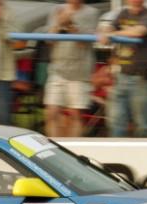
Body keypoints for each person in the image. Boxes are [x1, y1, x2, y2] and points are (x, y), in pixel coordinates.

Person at [100, 0, 147, 137]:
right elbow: (110, 27)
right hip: (121, 75)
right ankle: (117, 152)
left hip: (141, 77)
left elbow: (139, 31)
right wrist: (106, 32)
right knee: (116, 120)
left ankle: (144, 154)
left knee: (142, 123)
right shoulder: (122, 13)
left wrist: (112, 34)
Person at [44, 0, 98, 137]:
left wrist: (70, 23)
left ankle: (74, 148)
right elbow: (49, 40)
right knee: (51, 112)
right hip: (57, 69)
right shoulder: (56, 10)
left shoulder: (91, 12)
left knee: (75, 114)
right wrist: (58, 23)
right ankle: (55, 147)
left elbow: (84, 43)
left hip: (79, 72)